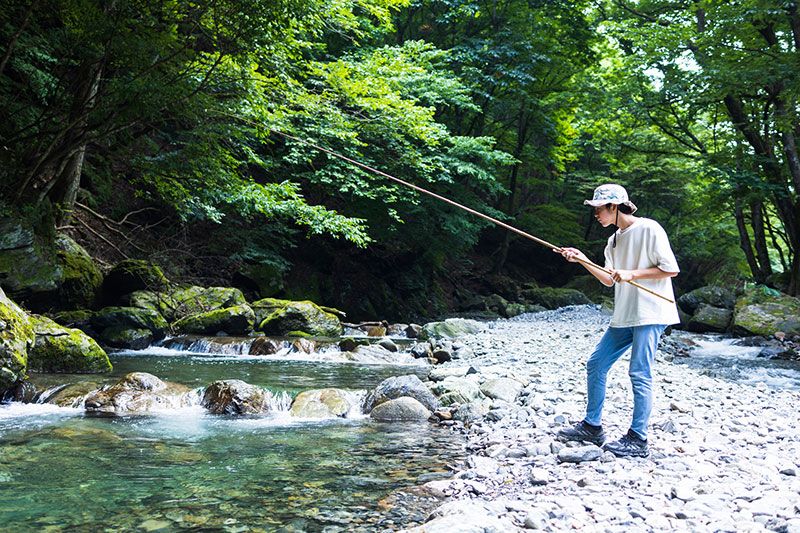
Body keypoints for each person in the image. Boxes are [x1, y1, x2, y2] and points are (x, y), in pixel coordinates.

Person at [555, 184, 680, 458]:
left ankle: (638, 439)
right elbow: (608, 279)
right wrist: (582, 259)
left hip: (651, 313)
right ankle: (592, 426)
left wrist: (632, 274)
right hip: (625, 314)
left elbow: (671, 269)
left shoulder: (649, 228)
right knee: (596, 364)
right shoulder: (612, 241)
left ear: (614, 206)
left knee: (639, 372)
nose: (596, 213)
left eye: (599, 208)